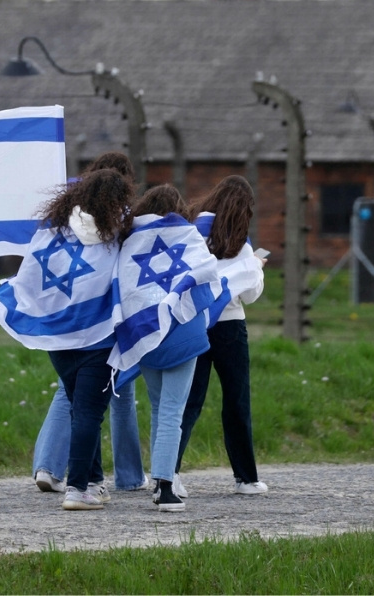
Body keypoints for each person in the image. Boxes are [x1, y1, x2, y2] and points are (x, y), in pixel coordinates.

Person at [0, 169, 134, 510]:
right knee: (89, 414)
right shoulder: (119, 234)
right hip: (98, 339)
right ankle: (78, 489)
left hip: (57, 339)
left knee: (82, 411)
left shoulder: (53, 229)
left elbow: (30, 273)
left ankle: (92, 481)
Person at [32, 151, 146, 494]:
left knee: (73, 400)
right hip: (103, 332)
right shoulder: (122, 227)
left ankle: (51, 467)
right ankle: (110, 480)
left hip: (62, 330)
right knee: (102, 404)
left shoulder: (59, 225)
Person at [109, 184, 223, 511]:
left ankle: (159, 478)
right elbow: (207, 272)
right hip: (182, 331)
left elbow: (126, 287)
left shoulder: (130, 242)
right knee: (173, 410)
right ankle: (164, 485)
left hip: (145, 335)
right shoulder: (187, 235)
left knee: (160, 408)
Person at [175, 175, 268, 496]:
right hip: (229, 327)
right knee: (236, 401)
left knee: (189, 401)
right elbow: (251, 294)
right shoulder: (241, 244)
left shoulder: (191, 232)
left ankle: (168, 472)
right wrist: (256, 266)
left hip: (193, 324)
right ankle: (246, 478)